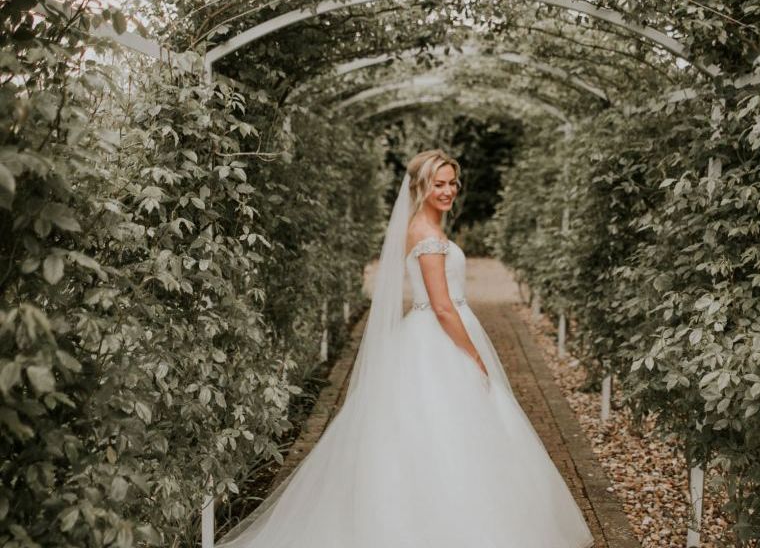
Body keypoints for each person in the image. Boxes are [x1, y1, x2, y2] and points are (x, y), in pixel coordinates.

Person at [222, 149, 594, 548]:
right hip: (439, 336)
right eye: (439, 184)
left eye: (452, 183)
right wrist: (475, 357)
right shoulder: (426, 235)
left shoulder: (426, 229)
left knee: (447, 435)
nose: (448, 190)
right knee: (445, 433)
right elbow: (441, 306)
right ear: (420, 186)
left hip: (430, 333)